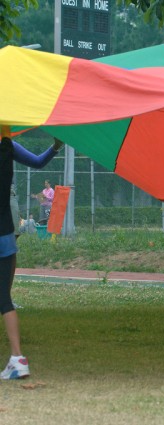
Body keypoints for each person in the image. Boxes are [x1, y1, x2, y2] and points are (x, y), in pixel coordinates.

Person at [0, 128, 63, 380]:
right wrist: (55, 146)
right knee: (4, 299)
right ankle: (18, 358)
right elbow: (37, 162)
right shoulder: (7, 148)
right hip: (4, 234)